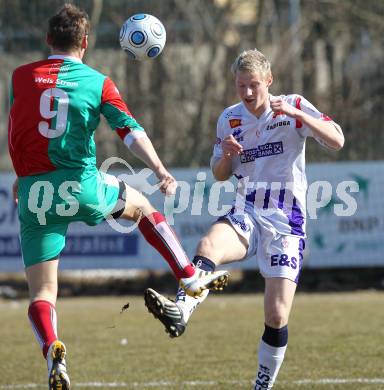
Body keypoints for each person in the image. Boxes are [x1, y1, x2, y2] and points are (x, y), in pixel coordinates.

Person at [7, 4, 229, 389]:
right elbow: (130, 132)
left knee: (43, 292)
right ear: (86, 43)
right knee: (141, 207)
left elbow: (17, 130)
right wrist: (159, 168)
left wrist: (20, 175)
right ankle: (189, 277)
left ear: (47, 40)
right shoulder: (98, 82)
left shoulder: (21, 77)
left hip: (35, 193)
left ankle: (52, 350)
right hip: (82, 185)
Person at [144, 49, 344, 389]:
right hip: (247, 211)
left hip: (286, 223)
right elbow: (220, 174)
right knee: (208, 244)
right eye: (241, 86)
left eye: (254, 85)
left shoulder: (293, 105)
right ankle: (181, 312)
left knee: (277, 315)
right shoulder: (229, 118)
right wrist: (225, 156)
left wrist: (297, 114)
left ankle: (262, 385)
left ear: (269, 81)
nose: (248, 93)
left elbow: (337, 140)